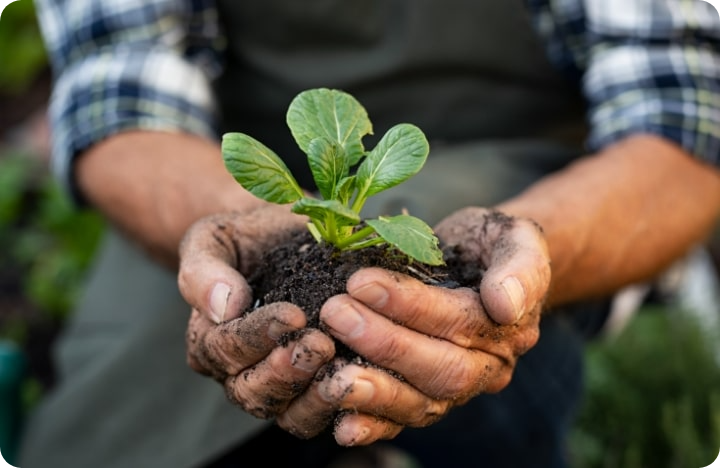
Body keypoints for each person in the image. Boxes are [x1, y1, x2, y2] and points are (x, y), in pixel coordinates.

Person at [18, 0, 720, 467]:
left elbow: (685, 121)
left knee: (451, 310)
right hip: (213, 183)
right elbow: (119, 89)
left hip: (527, 164)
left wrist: (534, 254)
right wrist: (232, 232)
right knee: (111, 426)